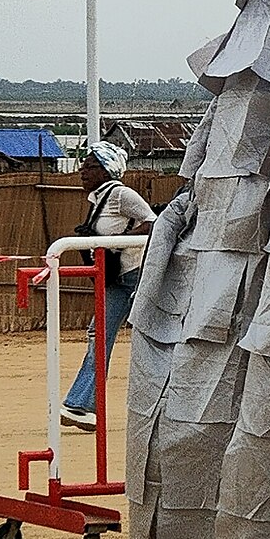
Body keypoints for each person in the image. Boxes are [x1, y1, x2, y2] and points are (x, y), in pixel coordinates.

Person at [61, 141, 155, 431]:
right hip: (115, 278)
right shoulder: (100, 199)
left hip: (131, 275)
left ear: (106, 170)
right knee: (99, 334)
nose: (82, 171)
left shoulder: (120, 195)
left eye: (90, 166)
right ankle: (84, 404)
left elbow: (151, 222)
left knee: (114, 336)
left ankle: (84, 403)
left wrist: (119, 244)